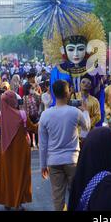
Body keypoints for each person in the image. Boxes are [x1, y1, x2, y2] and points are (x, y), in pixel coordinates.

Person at [38, 79, 91, 211]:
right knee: (75, 194)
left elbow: (43, 144)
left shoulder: (45, 115)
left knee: (58, 196)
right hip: (72, 159)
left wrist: (43, 165)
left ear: (54, 94)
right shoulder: (75, 112)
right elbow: (87, 128)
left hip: (53, 161)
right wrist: (85, 111)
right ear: (68, 93)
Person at [0, 91, 38, 211]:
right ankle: (18, 203)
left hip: (6, 150)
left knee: (8, 175)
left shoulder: (0, 115)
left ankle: (7, 202)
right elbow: (33, 128)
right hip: (21, 150)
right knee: (20, 174)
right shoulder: (22, 114)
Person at [73, 75, 101, 143]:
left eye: (88, 83)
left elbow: (98, 116)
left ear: (91, 86)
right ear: (79, 84)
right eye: (83, 82)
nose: (86, 84)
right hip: (75, 132)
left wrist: (87, 123)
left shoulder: (95, 101)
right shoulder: (73, 97)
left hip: (89, 133)